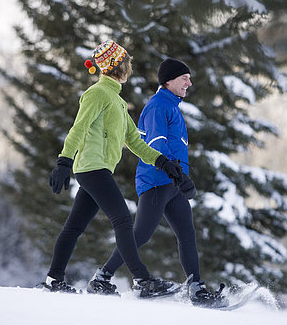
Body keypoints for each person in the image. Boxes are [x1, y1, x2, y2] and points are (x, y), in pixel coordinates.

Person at [43, 41, 183, 297]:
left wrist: (163, 162)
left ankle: (54, 278)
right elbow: (79, 128)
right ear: (118, 66)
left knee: (74, 227)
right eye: (127, 61)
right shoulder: (97, 94)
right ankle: (142, 280)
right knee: (122, 221)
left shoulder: (117, 101)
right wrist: (64, 161)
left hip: (97, 170)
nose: (131, 66)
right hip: (92, 168)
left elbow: (136, 143)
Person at [88, 57, 227, 306]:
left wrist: (181, 178)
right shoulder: (158, 106)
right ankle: (102, 277)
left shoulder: (171, 106)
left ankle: (197, 289)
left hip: (173, 183)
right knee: (140, 234)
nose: (189, 83)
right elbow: (155, 145)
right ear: (169, 80)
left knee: (187, 234)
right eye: (185, 78)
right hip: (155, 181)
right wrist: (177, 176)